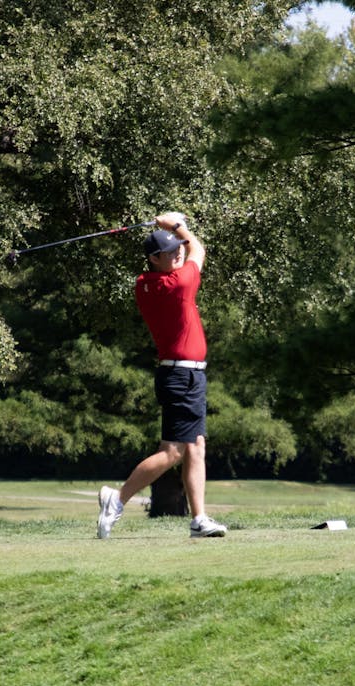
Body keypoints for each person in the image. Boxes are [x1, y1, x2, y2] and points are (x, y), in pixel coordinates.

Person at [97, 211, 227, 539]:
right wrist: (176, 224)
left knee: (195, 445)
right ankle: (118, 497)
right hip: (182, 377)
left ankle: (199, 519)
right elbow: (200, 250)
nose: (179, 252)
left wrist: (172, 233)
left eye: (178, 248)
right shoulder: (179, 283)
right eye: (171, 251)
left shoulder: (145, 284)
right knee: (173, 451)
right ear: (154, 259)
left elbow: (188, 252)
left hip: (183, 376)